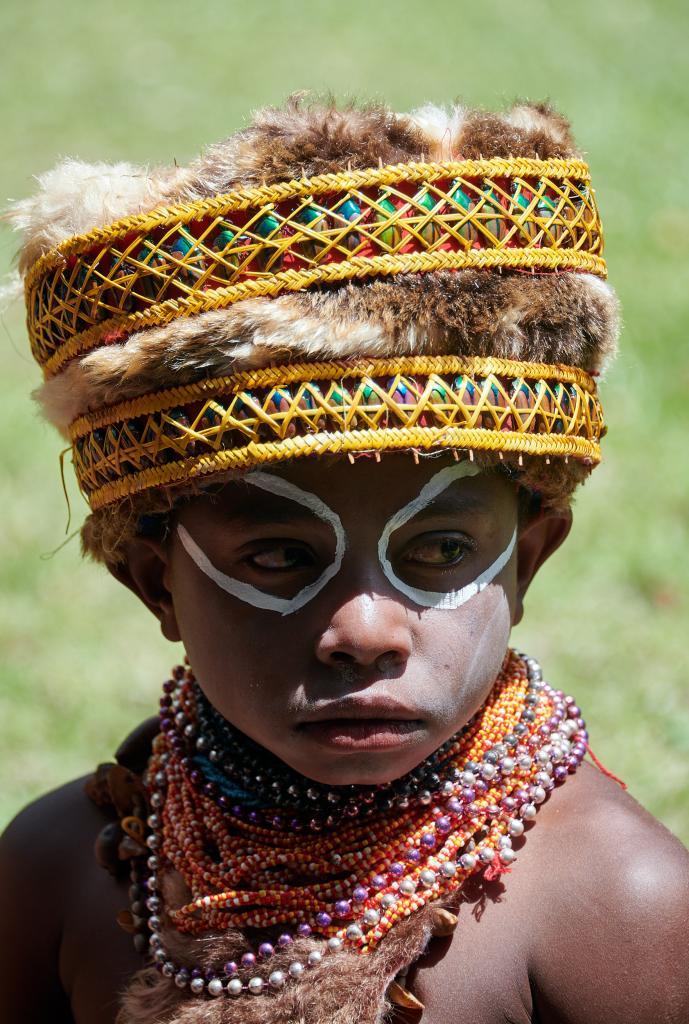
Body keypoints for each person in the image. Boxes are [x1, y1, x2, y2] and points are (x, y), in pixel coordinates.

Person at [1, 95, 688, 1024]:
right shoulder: (62, 870)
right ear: (153, 582)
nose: (363, 630)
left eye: (440, 550)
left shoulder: (612, 907)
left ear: (528, 562)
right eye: (280, 556)